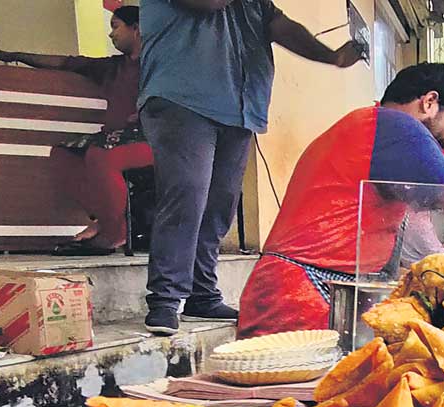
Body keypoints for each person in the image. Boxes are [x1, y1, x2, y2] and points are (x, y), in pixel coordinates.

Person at [139, 0, 364, 335]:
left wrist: (331, 57)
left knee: (220, 205)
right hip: (182, 98)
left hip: (238, 107)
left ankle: (202, 293)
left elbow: (279, 26)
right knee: (187, 195)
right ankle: (166, 299)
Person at [237, 63, 444, 339]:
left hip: (297, 288)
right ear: (429, 102)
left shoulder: (369, 129)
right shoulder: (397, 127)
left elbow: (414, 241)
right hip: (298, 295)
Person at [0, 5, 150, 255]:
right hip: (117, 138)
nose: (111, 34)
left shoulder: (158, 64)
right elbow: (66, 62)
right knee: (62, 154)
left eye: (115, 27)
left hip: (155, 139)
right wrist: (13, 55)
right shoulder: (112, 67)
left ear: (136, 28)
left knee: (100, 155)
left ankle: (113, 234)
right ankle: (108, 222)